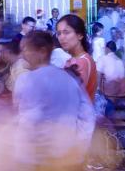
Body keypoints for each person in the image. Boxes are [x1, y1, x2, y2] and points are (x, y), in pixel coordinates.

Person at [13, 31, 95, 169]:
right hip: (66, 155)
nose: (23, 55)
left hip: (38, 158)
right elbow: (87, 116)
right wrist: (79, 150)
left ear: (42, 51)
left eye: (26, 49)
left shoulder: (27, 81)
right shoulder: (70, 79)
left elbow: (28, 121)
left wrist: (22, 156)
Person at [57, 14, 97, 100]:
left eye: (66, 32)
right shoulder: (75, 59)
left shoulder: (82, 62)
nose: (61, 37)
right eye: (59, 33)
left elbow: (69, 97)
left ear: (80, 35)